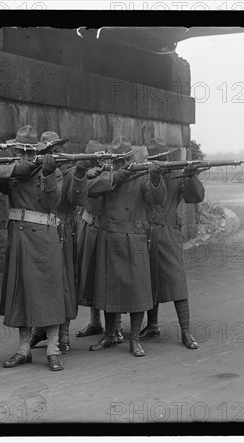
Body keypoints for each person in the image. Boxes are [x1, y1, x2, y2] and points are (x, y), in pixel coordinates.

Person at [86, 136, 166, 357]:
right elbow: (89, 189)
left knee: (137, 290)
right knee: (109, 288)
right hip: (110, 236)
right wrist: (115, 177)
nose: (121, 164)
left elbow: (156, 199)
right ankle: (110, 335)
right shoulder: (107, 175)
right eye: (117, 161)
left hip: (135, 236)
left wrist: (157, 178)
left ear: (130, 157)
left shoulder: (142, 176)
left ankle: (135, 339)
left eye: (124, 160)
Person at [0, 125, 67, 371]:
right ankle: (23, 349)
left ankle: (53, 349)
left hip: (44, 238)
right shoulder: (13, 170)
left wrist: (46, 174)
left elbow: (52, 202)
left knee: (50, 293)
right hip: (19, 238)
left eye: (28, 152)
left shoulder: (52, 171)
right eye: (20, 152)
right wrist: (16, 168)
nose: (24, 156)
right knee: (21, 294)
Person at [140, 138, 205, 349]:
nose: (163, 162)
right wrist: (154, 176)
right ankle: (152, 325)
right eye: (158, 160)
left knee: (177, 283)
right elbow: (152, 197)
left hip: (169, 235)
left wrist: (191, 176)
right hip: (146, 233)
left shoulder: (178, 175)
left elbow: (195, 197)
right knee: (149, 282)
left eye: (164, 158)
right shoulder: (144, 175)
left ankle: (186, 332)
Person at [29, 131, 90, 354]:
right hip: (41, 231)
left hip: (64, 229)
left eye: (59, 150)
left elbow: (78, 199)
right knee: (42, 280)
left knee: (66, 281)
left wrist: (81, 174)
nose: (59, 154)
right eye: (52, 152)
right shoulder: (36, 171)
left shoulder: (72, 171)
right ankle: (39, 329)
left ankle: (63, 334)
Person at [75, 140, 125, 344]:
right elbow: (84, 188)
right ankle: (95, 321)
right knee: (90, 277)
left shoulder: (112, 173)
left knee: (110, 278)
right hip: (88, 226)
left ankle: (117, 326)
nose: (102, 162)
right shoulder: (86, 175)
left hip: (106, 229)